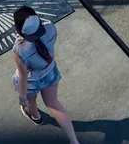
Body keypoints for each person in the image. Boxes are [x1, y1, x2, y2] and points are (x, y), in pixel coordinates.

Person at [11, 7, 80, 143]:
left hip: (32, 81)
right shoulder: (50, 28)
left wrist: (22, 96)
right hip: (50, 71)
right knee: (53, 103)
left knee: (31, 101)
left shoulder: (19, 50)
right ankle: (74, 141)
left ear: (19, 30)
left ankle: (36, 117)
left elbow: (23, 74)